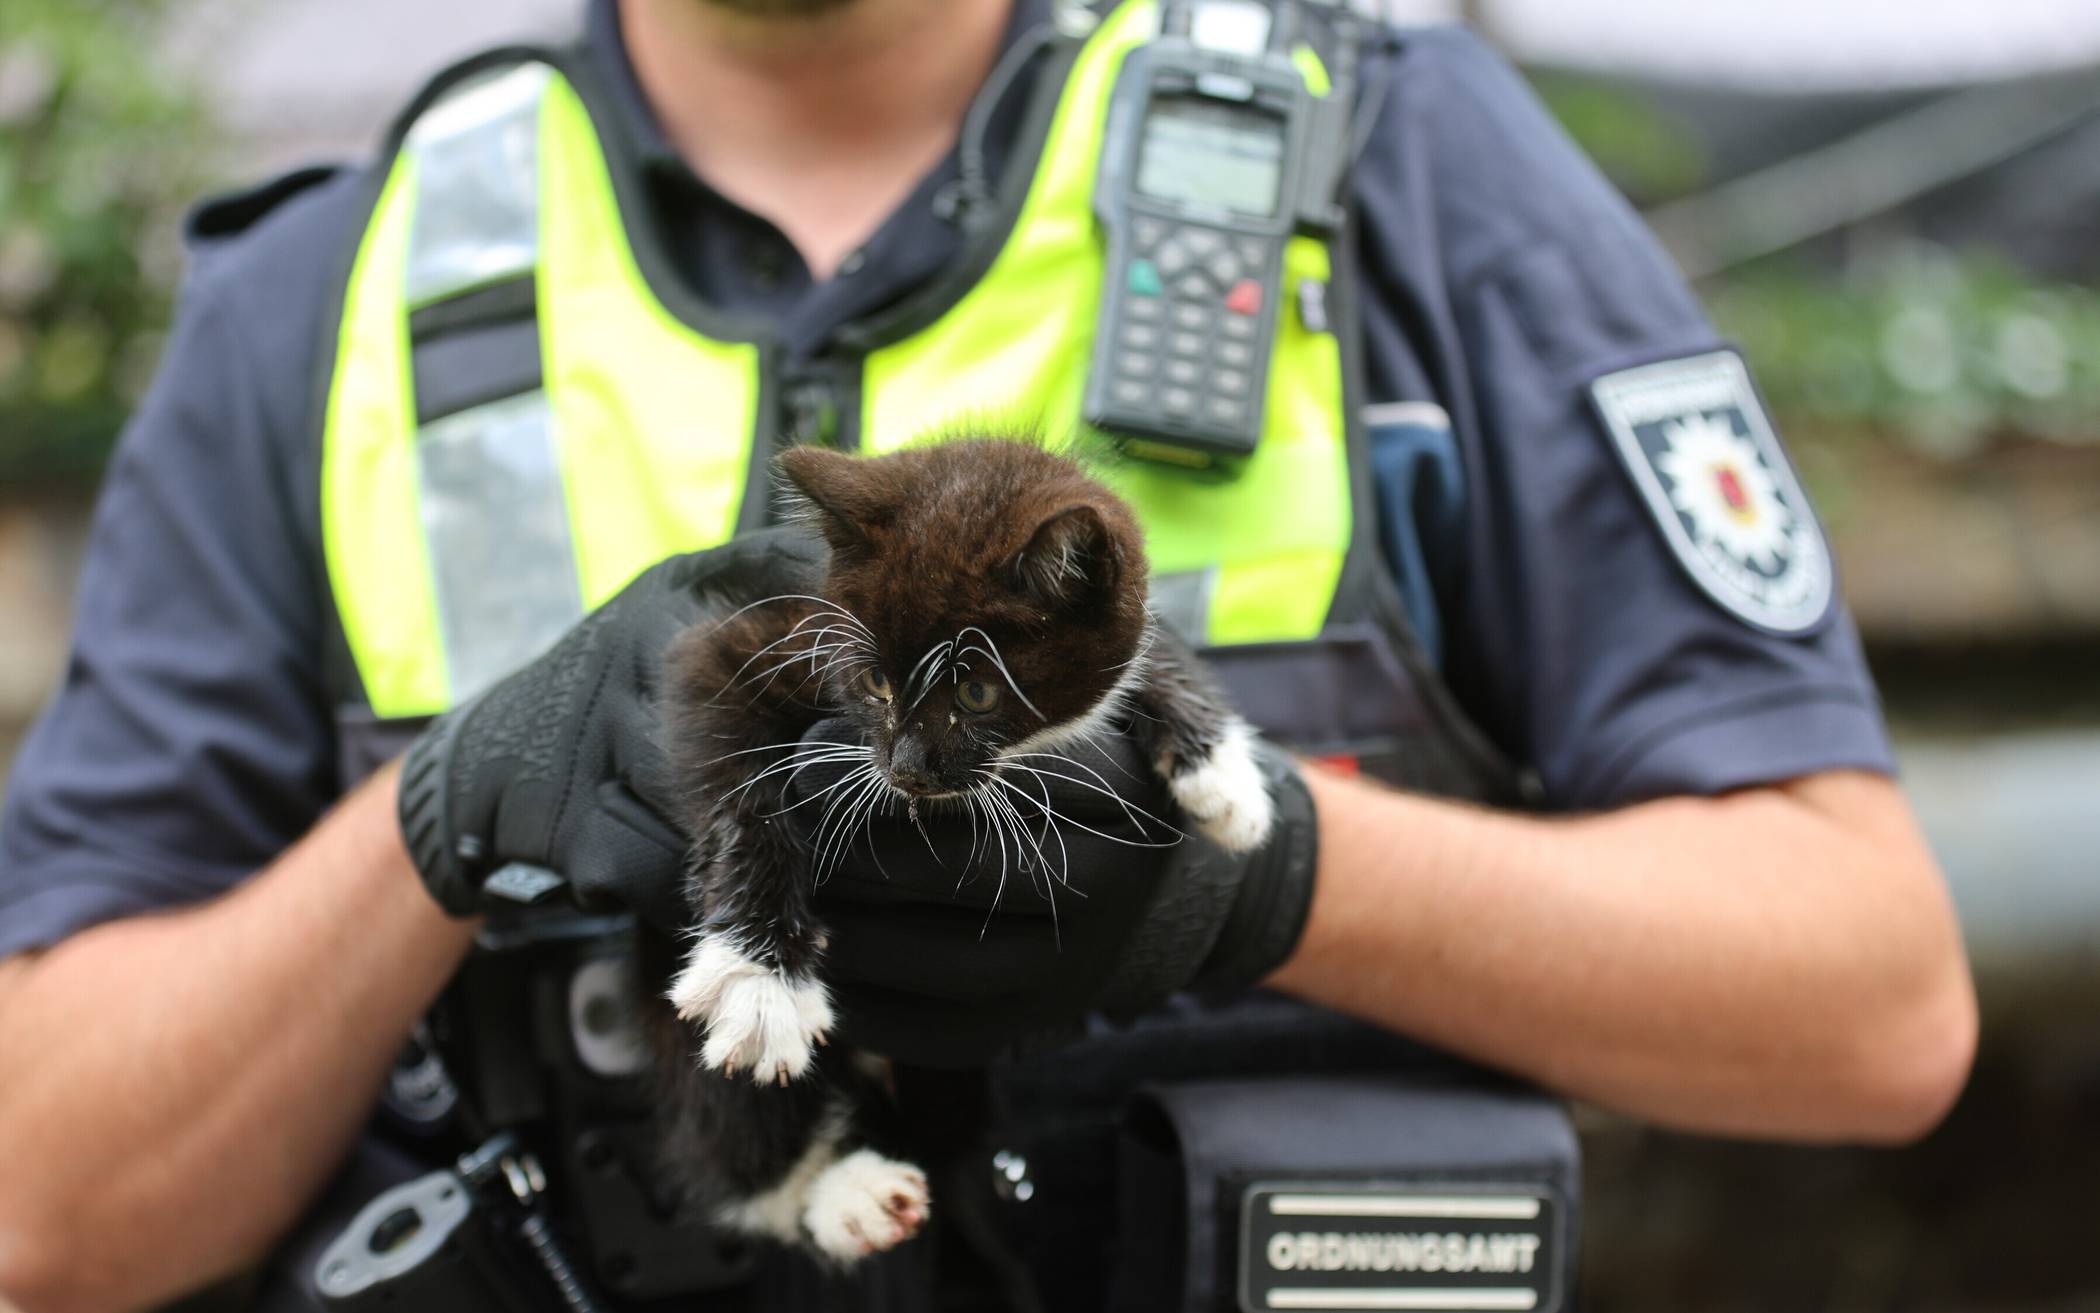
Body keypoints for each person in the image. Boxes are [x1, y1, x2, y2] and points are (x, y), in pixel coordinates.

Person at [0, 0, 1976, 1310]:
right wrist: (437, 825)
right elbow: (45, 1202)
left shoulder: (1388, 165)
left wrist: (1272, 875)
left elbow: (1870, 1001)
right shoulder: (331, 295)